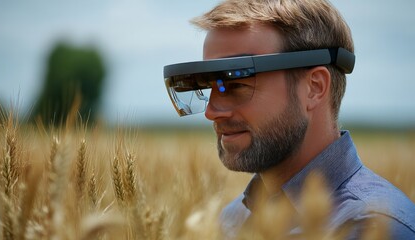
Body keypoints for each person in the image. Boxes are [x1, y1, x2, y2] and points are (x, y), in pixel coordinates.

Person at [163, 0, 415, 238]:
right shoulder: (232, 220)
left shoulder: (375, 228)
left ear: (314, 88)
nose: (211, 112)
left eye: (236, 84)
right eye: (210, 86)